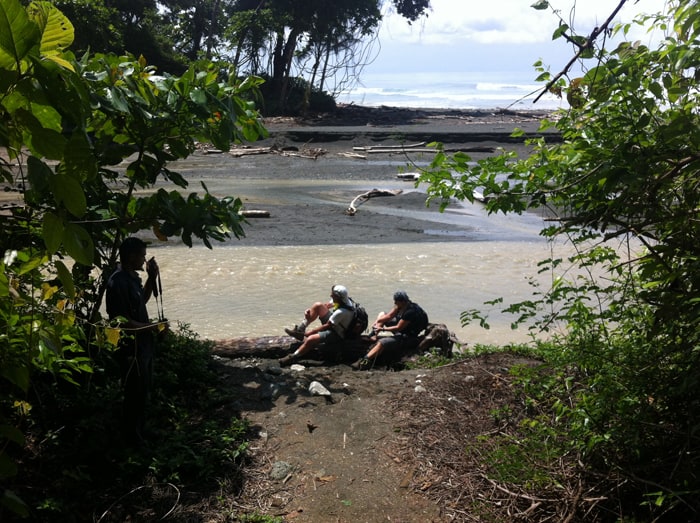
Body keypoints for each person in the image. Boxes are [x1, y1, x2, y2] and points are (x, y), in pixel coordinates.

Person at [105, 237, 168, 444]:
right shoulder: (117, 282)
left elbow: (142, 299)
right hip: (130, 349)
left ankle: (140, 431)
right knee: (133, 393)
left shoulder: (132, 277)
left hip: (143, 346)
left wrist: (152, 277)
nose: (144, 259)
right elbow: (122, 322)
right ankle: (132, 439)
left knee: (143, 391)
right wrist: (153, 327)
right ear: (131, 257)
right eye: (141, 255)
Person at [279, 285, 356, 366]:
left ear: (338, 297)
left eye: (332, 294)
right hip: (336, 323)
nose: (330, 295)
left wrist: (311, 332)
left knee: (310, 339)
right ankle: (301, 329)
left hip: (337, 333)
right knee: (318, 305)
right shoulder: (344, 301)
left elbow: (327, 326)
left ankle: (292, 357)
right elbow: (326, 306)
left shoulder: (341, 312)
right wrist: (309, 314)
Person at [352, 290, 428, 370]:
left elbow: (398, 328)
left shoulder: (410, 312)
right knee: (382, 314)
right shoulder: (401, 305)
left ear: (402, 301)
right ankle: (373, 336)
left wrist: (382, 329)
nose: (395, 303)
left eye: (396, 302)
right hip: (403, 329)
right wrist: (377, 322)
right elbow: (388, 316)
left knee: (382, 343)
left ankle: (364, 360)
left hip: (409, 336)